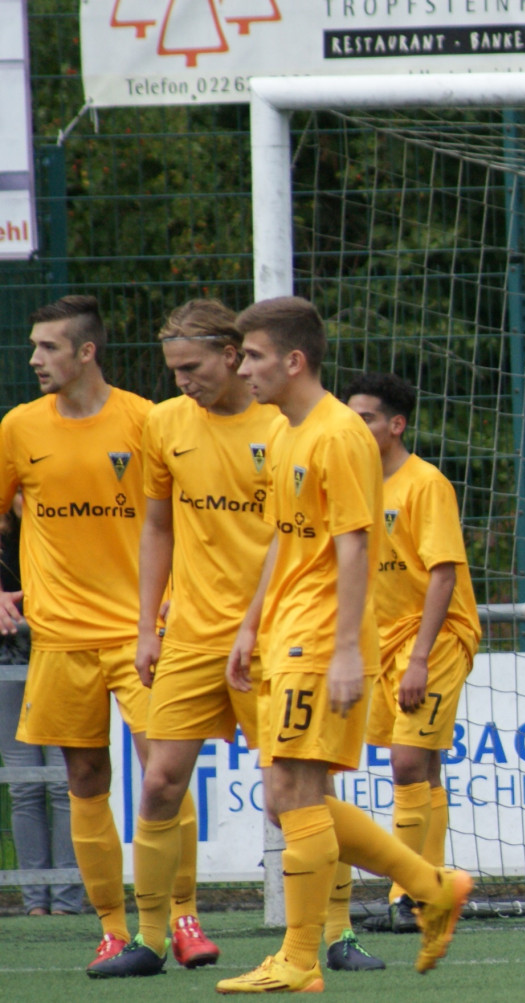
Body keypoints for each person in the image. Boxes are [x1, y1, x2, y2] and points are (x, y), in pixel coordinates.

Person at [88, 299, 386, 978]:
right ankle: (152, 937)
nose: (181, 380)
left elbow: (313, 536)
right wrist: (147, 624)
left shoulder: (287, 422)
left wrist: (286, 629)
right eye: (173, 369)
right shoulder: (165, 424)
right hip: (193, 633)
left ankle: (337, 932)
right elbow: (156, 525)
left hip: (280, 634)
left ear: (232, 356)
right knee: (159, 783)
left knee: (297, 797)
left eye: (193, 366)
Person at [217, 296, 472, 994]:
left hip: (321, 635)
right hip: (286, 631)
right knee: (286, 798)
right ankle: (430, 886)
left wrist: (349, 651)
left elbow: (354, 544)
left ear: (294, 360)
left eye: (254, 356)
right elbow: (284, 539)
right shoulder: (286, 432)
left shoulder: (338, 435)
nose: (244, 369)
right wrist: (250, 624)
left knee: (296, 792)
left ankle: (301, 957)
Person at [0, 295, 208, 971]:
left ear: (86, 351)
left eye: (49, 347)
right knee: (85, 777)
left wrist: (174, 604)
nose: (35, 359)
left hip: (140, 631)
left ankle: (183, 918)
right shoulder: (18, 427)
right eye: (34, 347)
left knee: (163, 775)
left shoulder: (146, 419)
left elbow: (182, 516)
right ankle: (114, 929)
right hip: (61, 637)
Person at [345, 373, 481, 933]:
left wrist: (420, 658)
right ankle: (431, 892)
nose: (356, 428)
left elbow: (443, 574)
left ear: (396, 425)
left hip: (437, 635)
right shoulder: (352, 484)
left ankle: (408, 894)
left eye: (367, 419)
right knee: (421, 767)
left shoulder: (426, 483)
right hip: (383, 640)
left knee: (404, 763)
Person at [0, 498, 84, 917]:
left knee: (65, 783)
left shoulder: (65, 526)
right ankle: (35, 903)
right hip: (7, 663)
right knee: (24, 786)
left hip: (64, 657)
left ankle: (67, 901)